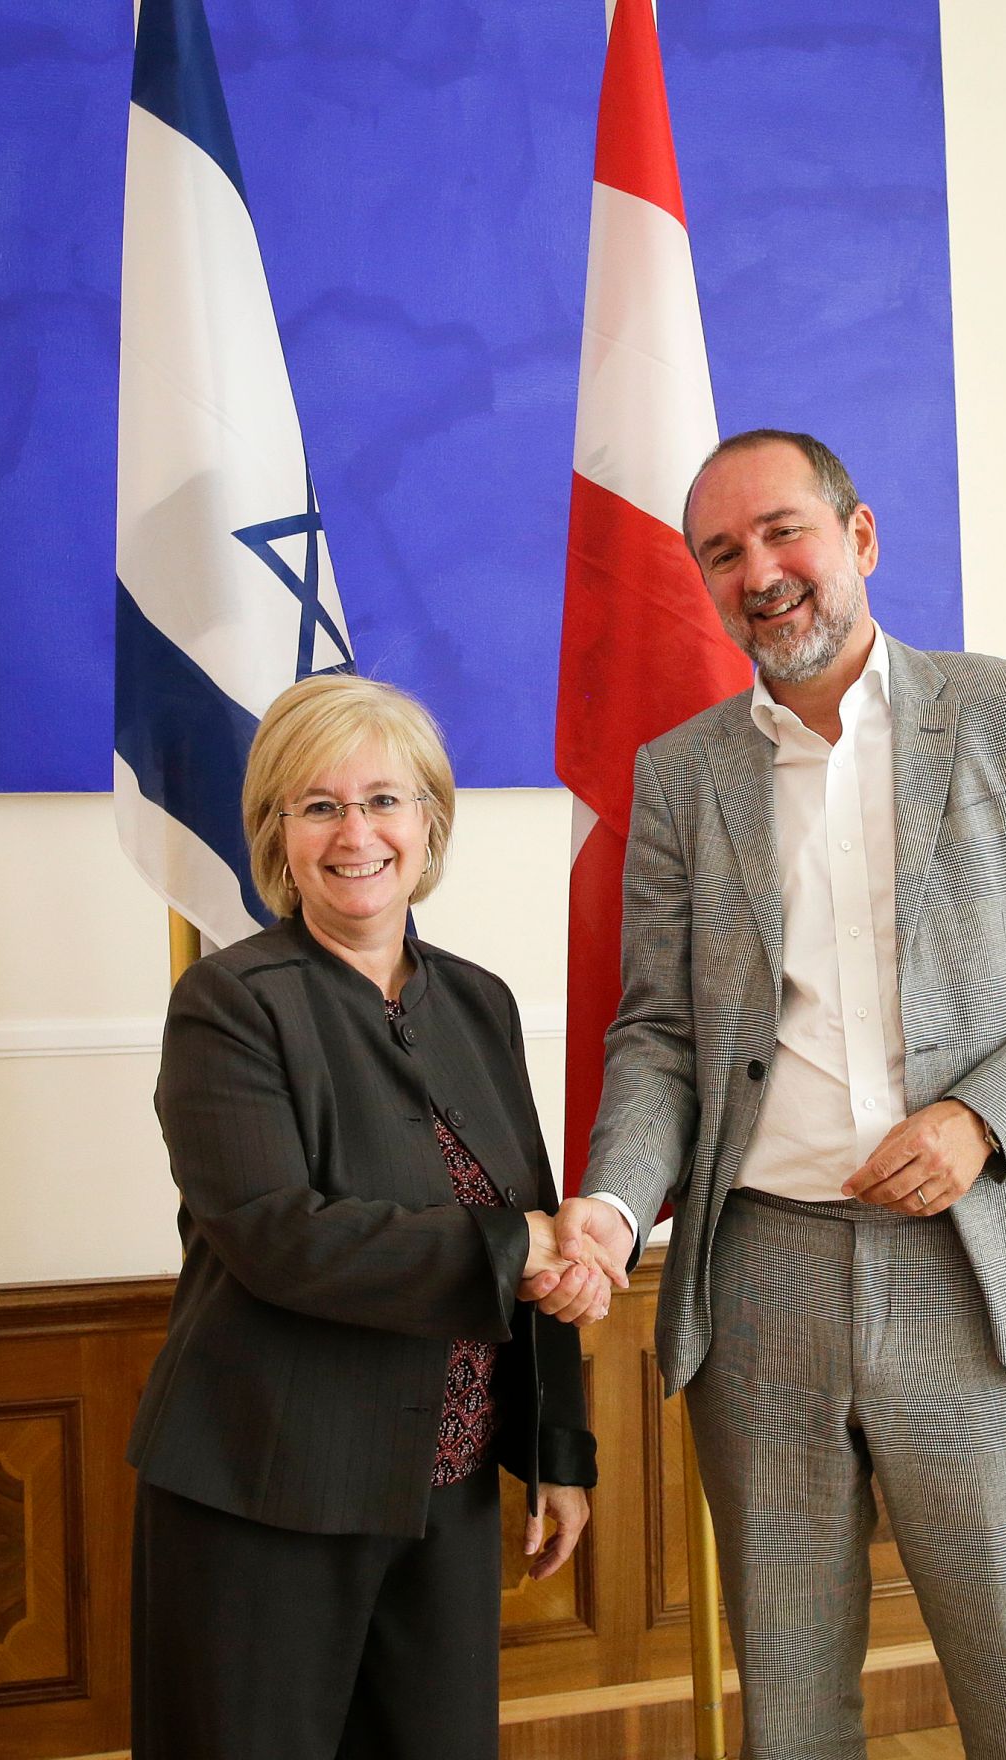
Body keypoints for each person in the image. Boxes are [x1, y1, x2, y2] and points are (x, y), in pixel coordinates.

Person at [552, 430, 1006, 1759]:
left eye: (783, 533)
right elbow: (658, 1035)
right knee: (787, 1710)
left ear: (860, 538)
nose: (758, 572)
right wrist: (610, 1205)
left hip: (979, 1274)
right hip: (760, 1287)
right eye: (720, 553)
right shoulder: (679, 777)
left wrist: (978, 1120)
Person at [128, 673, 613, 1760]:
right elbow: (275, 1233)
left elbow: (528, 1214)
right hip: (268, 1488)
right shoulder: (229, 1003)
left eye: (385, 799)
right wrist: (519, 1245)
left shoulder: (478, 998)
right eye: (319, 805)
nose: (358, 832)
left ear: (429, 821)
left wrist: (557, 1447)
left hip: (443, 1492)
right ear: (276, 834)